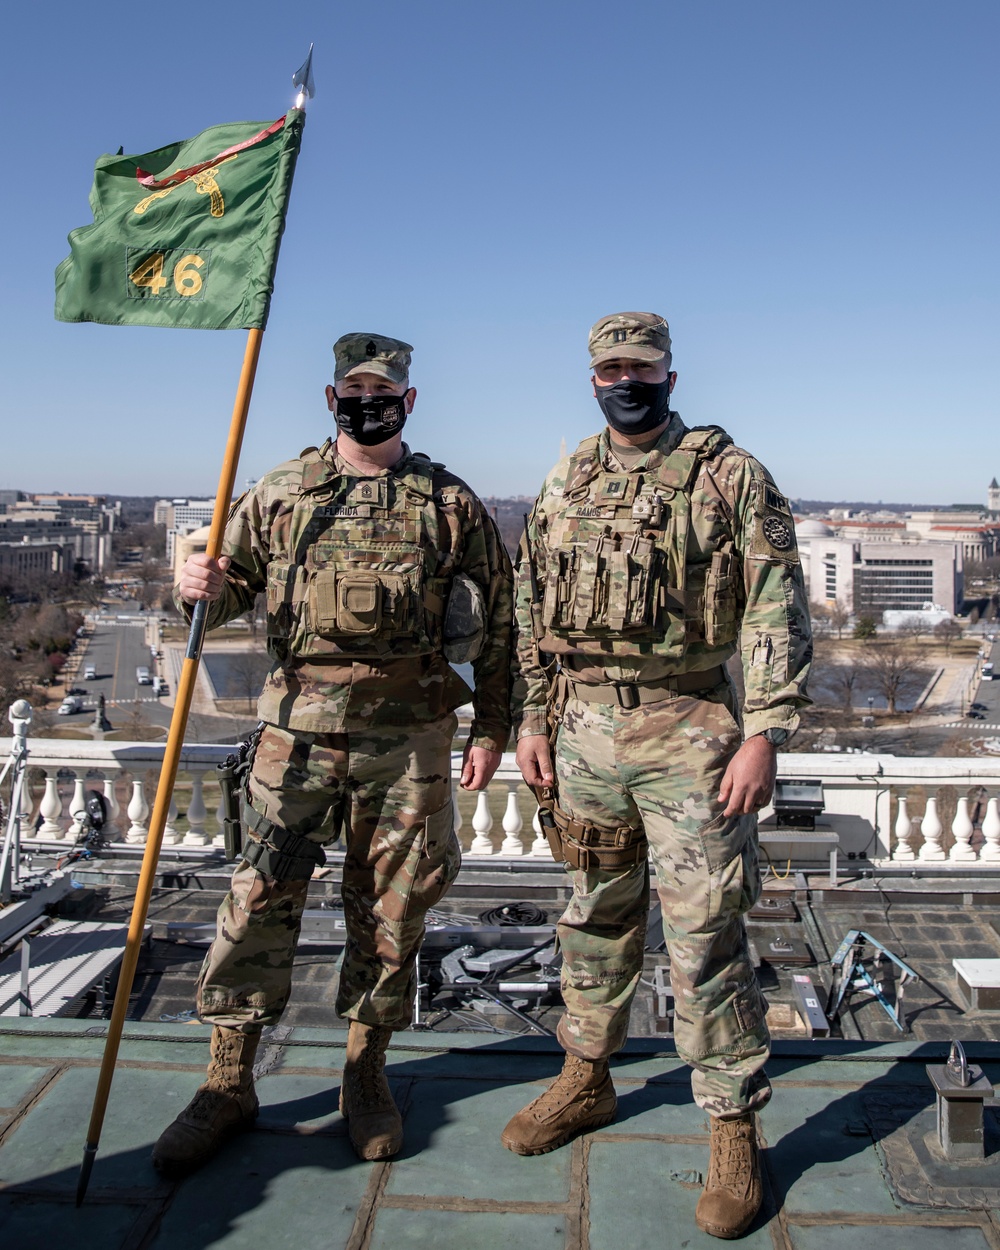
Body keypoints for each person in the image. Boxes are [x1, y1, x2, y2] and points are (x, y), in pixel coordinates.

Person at [153, 332, 513, 1174]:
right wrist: (196, 585)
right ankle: (227, 1079)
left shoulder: (448, 503)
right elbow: (227, 592)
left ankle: (366, 1073)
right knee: (259, 896)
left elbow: (501, 627)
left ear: (409, 402)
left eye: (383, 389)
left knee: (393, 908)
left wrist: (494, 726)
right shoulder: (282, 492)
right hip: (297, 732)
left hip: (410, 735)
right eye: (353, 389)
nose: (368, 401)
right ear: (330, 398)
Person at [504, 312, 811, 1240]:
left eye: (640, 366)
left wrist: (765, 733)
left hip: (691, 733)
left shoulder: (728, 474)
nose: (624, 381)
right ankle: (586, 1076)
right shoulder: (571, 475)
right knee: (594, 914)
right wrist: (530, 713)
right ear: (591, 379)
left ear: (670, 376)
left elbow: (774, 603)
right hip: (584, 730)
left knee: (704, 932)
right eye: (608, 368)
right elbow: (530, 597)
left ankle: (730, 1124)